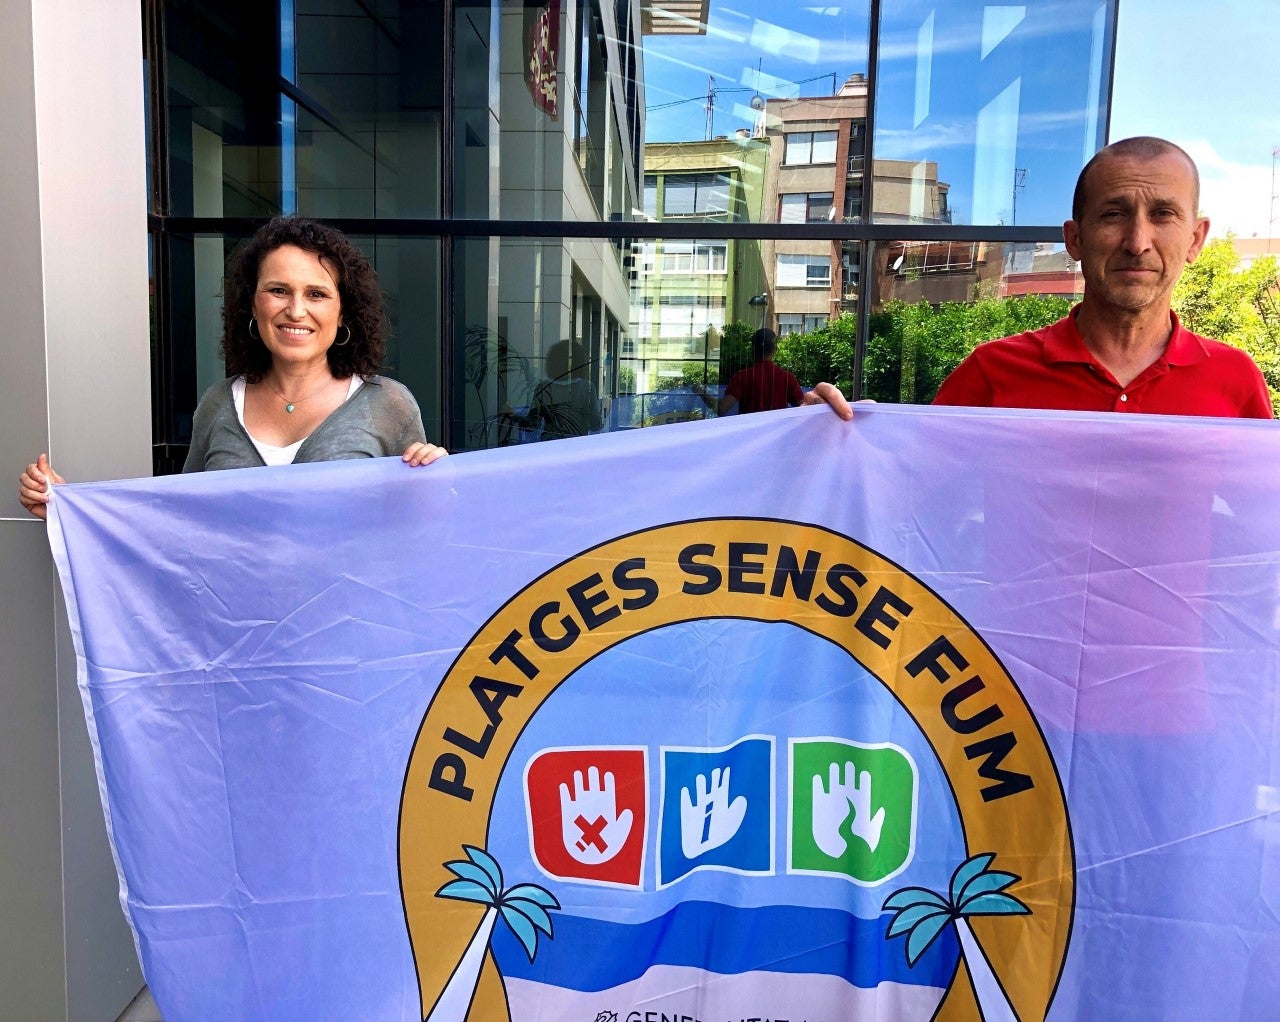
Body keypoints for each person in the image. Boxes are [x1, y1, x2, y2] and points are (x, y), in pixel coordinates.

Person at [19, 216, 446, 519]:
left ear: (344, 312)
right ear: (252, 304)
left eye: (316, 294)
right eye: (278, 290)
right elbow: (179, 521)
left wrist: (434, 480)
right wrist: (70, 511)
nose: (295, 310)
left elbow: (421, 529)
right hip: (236, 637)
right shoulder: (220, 402)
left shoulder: (388, 404)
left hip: (347, 635)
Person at [932, 136, 1272, 418]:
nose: (1137, 243)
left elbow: (1260, 499)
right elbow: (916, 487)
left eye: (1163, 215)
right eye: (1113, 214)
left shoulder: (1236, 381)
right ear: (1075, 239)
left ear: (1195, 239)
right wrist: (880, 440)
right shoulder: (991, 373)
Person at [718, 328, 805, 415]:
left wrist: (705, 394)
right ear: (775, 350)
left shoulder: (742, 377)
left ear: (753, 349)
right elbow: (804, 409)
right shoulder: (787, 378)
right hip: (777, 428)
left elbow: (722, 407)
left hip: (751, 428)